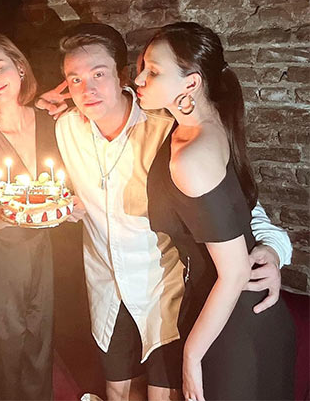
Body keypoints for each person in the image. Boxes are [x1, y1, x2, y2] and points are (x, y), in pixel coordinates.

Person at [38, 23, 293, 400]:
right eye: (75, 80)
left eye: (98, 74)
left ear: (123, 76)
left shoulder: (167, 127)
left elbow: (236, 203)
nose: (87, 89)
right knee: (118, 392)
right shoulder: (66, 129)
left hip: (165, 291)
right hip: (107, 291)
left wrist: (272, 248)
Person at [135, 22, 295, 401]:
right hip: (229, 310)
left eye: (152, 71)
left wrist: (191, 357)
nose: (138, 79)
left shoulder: (193, 157)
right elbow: (241, 208)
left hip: (233, 325)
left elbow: (235, 271)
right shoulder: (204, 121)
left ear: (190, 84)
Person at [0, 33, 67, 400]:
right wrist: (24, 214)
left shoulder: (48, 119)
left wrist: (64, 209)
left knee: (39, 342)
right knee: (2, 351)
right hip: (0, 258)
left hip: (41, 250)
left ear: (20, 67)